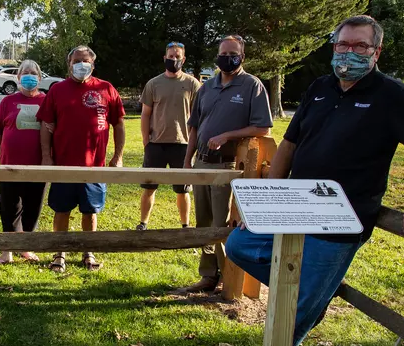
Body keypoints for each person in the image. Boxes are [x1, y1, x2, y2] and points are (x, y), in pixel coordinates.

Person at [223, 15, 404, 346]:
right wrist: (269, 201)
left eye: (360, 46)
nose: (349, 53)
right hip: (295, 207)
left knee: (297, 309)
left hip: (340, 221)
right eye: (342, 45)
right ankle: (316, 291)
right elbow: (289, 145)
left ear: (376, 51)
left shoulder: (391, 96)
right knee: (238, 245)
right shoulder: (320, 87)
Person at [183, 35, 272, 293]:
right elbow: (194, 127)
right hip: (201, 163)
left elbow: (263, 127)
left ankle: (227, 277)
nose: (227, 58)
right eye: (223, 53)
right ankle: (208, 275)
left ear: (242, 56)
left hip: (227, 166)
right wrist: (187, 162)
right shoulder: (207, 87)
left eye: (233, 53)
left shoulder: (251, 86)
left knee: (222, 225)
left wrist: (227, 136)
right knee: (203, 223)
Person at [38, 45, 125, 272]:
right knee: (61, 210)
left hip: (94, 166)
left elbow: (119, 124)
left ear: (93, 64)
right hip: (63, 165)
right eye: (77, 60)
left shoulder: (106, 89)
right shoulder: (57, 90)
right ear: (69, 64)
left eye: (85, 61)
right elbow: (46, 125)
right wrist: (47, 156)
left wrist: (118, 155)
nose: (81, 65)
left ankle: (89, 251)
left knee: (90, 211)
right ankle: (59, 253)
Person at [0, 59, 48, 264]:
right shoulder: (8, 102)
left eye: (33, 72)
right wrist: (0, 154)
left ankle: (26, 247)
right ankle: (7, 252)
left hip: (38, 165)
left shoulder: (46, 101)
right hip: (10, 165)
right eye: (24, 72)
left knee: (33, 206)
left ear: (39, 77)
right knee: (9, 207)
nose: (29, 76)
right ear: (18, 77)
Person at [136, 42, 202, 230]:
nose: (174, 59)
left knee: (183, 190)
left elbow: (197, 116)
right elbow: (146, 114)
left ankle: (185, 225)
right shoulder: (153, 84)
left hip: (182, 145)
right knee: (149, 187)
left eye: (177, 56)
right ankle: (143, 223)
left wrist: (193, 142)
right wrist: (146, 141)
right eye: (170, 56)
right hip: (156, 144)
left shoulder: (192, 84)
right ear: (164, 59)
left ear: (184, 59)